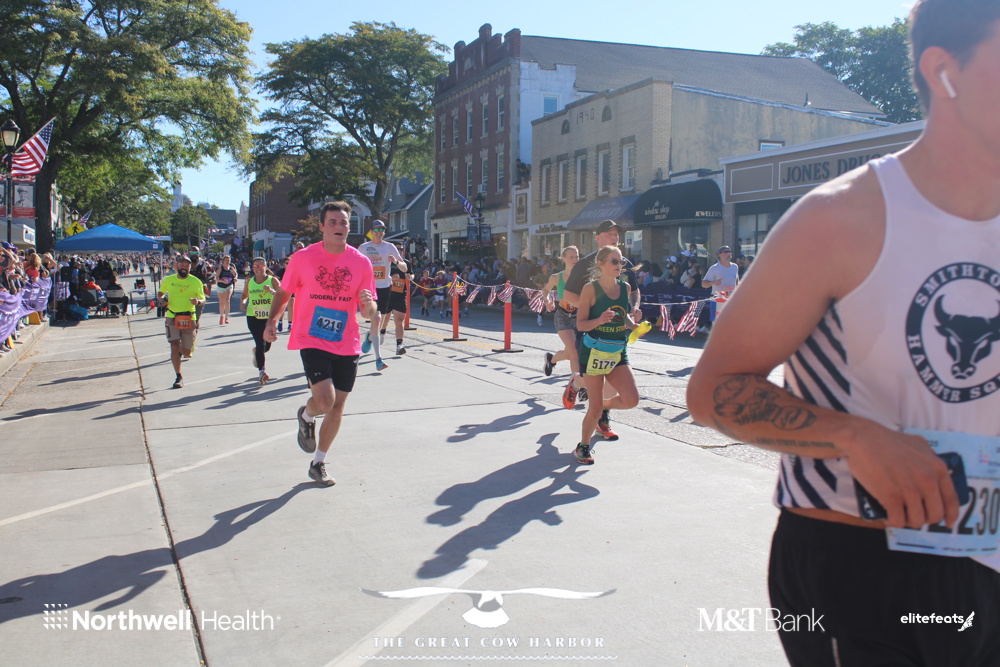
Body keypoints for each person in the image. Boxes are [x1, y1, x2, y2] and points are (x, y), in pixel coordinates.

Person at [688, 2, 1000, 664]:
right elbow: (713, 390)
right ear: (944, 71)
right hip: (861, 568)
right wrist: (854, 437)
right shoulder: (840, 219)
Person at [263, 201, 377, 487]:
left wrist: (369, 306)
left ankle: (319, 463)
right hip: (312, 336)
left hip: (346, 340)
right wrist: (272, 321)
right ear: (322, 226)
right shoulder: (303, 258)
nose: (340, 227)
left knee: (337, 406)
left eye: (344, 222)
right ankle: (307, 414)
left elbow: (369, 311)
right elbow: (284, 292)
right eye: (333, 222)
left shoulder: (361, 262)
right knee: (325, 401)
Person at [561, 220, 643, 426]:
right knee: (593, 377)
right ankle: (577, 383)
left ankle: (602, 416)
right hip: (591, 332)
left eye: (616, 234)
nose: (614, 237)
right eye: (609, 234)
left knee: (613, 377)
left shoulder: (625, 264)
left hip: (616, 332)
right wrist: (592, 308)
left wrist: (633, 307)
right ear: (597, 237)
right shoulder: (584, 264)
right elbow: (568, 294)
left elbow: (634, 291)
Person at [573, 245, 640, 464]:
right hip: (594, 352)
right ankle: (583, 446)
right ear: (600, 263)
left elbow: (623, 317)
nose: (619, 265)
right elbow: (581, 325)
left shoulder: (625, 287)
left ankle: (605, 406)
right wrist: (599, 320)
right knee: (593, 408)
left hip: (617, 350)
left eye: (621, 262)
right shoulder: (590, 289)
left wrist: (634, 324)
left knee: (631, 400)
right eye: (614, 261)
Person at [358, 219, 407, 371]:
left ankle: (369, 338)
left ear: (384, 232)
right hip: (369, 288)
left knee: (378, 321)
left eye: (381, 230)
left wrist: (396, 262)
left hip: (385, 288)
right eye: (376, 230)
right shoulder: (364, 248)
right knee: (376, 319)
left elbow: (405, 268)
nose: (379, 233)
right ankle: (378, 359)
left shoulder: (389, 247)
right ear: (371, 231)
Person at [157, 255, 205, 389]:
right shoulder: (169, 280)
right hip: (172, 316)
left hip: (189, 318)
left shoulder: (196, 282)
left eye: (187, 265)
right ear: (177, 266)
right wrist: (161, 299)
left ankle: (183, 350)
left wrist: (198, 302)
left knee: (186, 351)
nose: (184, 267)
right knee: (174, 345)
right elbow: (161, 293)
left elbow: (203, 299)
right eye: (182, 264)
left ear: (190, 267)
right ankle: (178, 376)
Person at [541, 246, 581, 382]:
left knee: (569, 354)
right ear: (564, 259)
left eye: (577, 256)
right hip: (563, 316)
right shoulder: (556, 277)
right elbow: (546, 290)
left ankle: (551, 360)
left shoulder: (583, 277)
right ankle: (577, 385)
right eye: (571, 257)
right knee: (574, 352)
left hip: (579, 317)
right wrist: (547, 301)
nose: (575, 259)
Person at [241, 257, 280, 385]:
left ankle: (257, 353)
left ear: (266, 266)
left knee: (267, 345)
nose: (258, 268)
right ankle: (262, 372)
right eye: (255, 266)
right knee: (260, 343)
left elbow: (282, 295)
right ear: (252, 268)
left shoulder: (272, 280)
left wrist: (271, 291)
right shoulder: (249, 281)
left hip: (269, 317)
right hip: (253, 316)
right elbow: (244, 294)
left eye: (261, 265)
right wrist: (243, 302)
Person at [701, 245, 739, 326]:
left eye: (730, 251)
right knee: (717, 326)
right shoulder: (714, 268)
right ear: (719, 255)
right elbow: (703, 284)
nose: (729, 253)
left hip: (730, 301)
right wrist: (713, 282)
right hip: (717, 301)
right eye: (726, 252)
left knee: (730, 325)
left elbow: (736, 281)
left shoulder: (735, 267)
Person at [387, 252, 411, 355]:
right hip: (386, 294)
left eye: (401, 249)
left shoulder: (405, 262)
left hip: (400, 295)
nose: (399, 251)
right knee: (383, 321)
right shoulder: (385, 261)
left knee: (399, 320)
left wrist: (411, 277)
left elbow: (411, 273)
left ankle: (399, 345)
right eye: (397, 249)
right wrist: (391, 278)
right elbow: (376, 276)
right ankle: (380, 333)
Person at [188, 248, 214, 325]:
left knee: (195, 318)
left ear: (199, 253)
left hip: (199, 295)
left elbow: (214, 280)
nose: (194, 255)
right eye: (192, 252)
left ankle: (195, 329)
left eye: (196, 253)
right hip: (185, 293)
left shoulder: (206, 265)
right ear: (189, 253)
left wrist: (203, 282)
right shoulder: (185, 264)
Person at [214, 255, 238, 325]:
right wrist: (222, 281)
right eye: (226, 260)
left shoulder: (231, 268)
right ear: (223, 261)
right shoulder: (220, 268)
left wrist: (235, 278)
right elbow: (215, 278)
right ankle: (222, 316)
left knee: (227, 300)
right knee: (222, 302)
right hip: (221, 286)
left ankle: (227, 317)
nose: (228, 261)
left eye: (229, 260)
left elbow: (235, 274)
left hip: (229, 285)